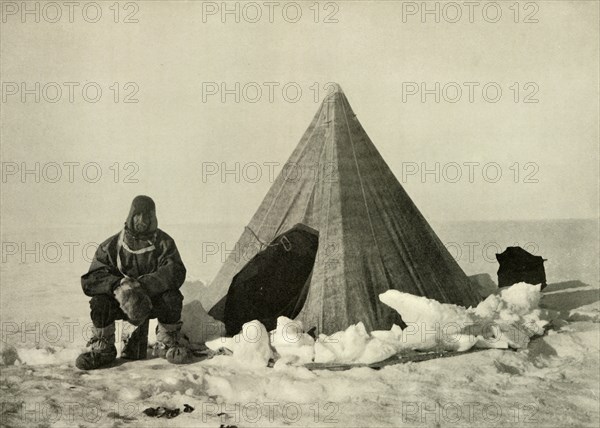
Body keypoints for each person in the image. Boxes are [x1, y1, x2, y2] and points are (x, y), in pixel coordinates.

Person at [76, 195, 188, 370]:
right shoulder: (112, 245)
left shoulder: (165, 243)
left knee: (172, 297)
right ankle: (103, 348)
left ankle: (168, 342)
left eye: (147, 215)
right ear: (131, 215)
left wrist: (145, 285)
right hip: (122, 303)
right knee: (100, 302)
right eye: (138, 214)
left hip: (152, 300)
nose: (142, 219)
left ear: (154, 217)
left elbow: (176, 271)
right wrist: (118, 285)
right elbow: (91, 279)